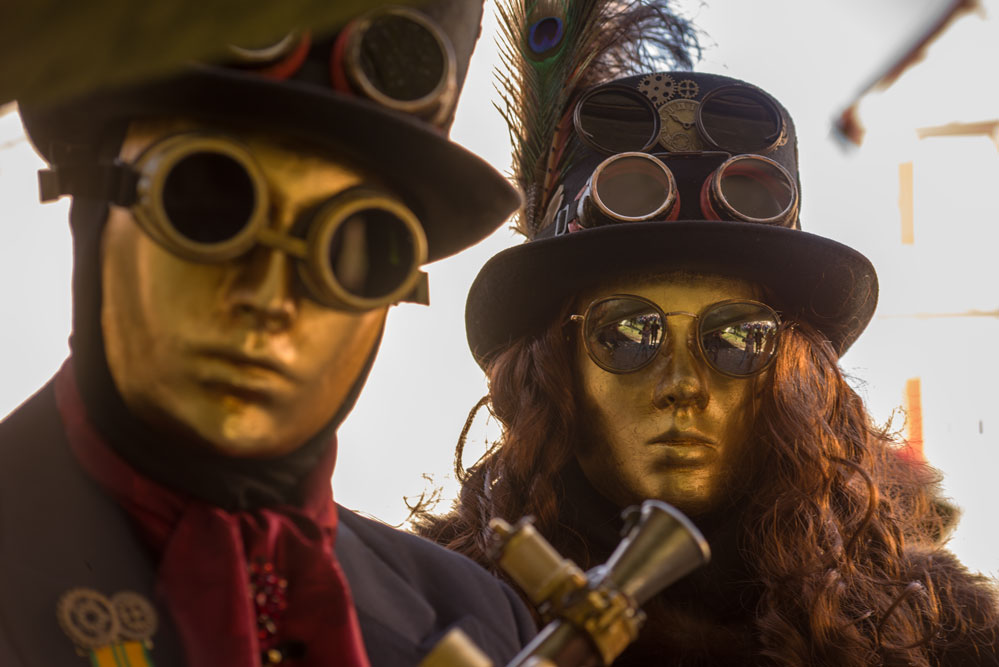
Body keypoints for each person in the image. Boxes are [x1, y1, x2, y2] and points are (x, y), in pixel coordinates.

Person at [417, 27, 999, 665]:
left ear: (793, 370)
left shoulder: (931, 632)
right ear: (556, 366)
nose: (683, 386)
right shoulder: (419, 608)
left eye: (737, 337)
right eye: (626, 333)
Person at [0, 3, 536, 665]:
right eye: (203, 205)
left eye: (356, 249)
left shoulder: (479, 617)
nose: (267, 296)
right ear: (92, 211)